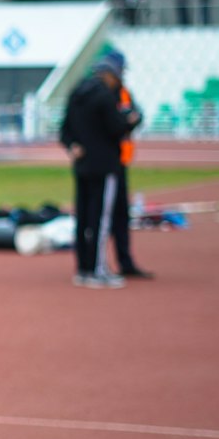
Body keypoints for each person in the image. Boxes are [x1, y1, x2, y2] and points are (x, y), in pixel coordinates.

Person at [59, 49, 142, 288]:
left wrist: (73, 145)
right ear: (111, 73)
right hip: (105, 165)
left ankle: (84, 268)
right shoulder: (105, 96)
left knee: (84, 217)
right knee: (101, 219)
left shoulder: (77, 92)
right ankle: (98, 270)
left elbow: (64, 129)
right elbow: (116, 128)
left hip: (82, 164)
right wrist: (130, 121)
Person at [111, 81, 153, 279]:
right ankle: (93, 265)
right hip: (105, 162)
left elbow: (137, 115)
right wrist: (126, 121)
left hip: (121, 160)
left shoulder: (125, 93)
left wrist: (131, 121)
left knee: (121, 214)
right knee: (102, 217)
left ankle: (125, 261)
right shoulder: (101, 95)